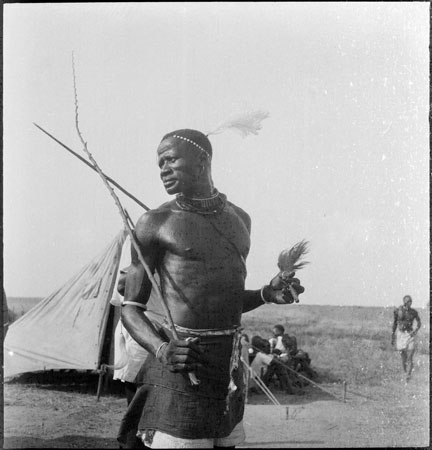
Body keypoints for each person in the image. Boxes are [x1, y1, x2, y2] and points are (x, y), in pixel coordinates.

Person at [119, 128, 305, 449]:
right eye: (159, 162)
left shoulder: (240, 220)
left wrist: (265, 294)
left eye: (170, 159)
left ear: (201, 161)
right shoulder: (155, 222)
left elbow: (224, 301)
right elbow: (130, 309)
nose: (162, 169)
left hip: (228, 370)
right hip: (182, 364)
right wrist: (162, 350)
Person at [391, 295, 421, 382]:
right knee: (403, 358)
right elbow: (394, 324)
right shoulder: (398, 311)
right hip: (400, 335)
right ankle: (405, 372)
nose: (410, 303)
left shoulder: (413, 312)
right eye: (408, 301)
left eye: (411, 301)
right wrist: (393, 336)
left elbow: (419, 323)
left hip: (410, 334)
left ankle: (408, 375)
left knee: (410, 356)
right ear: (404, 302)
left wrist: (414, 331)